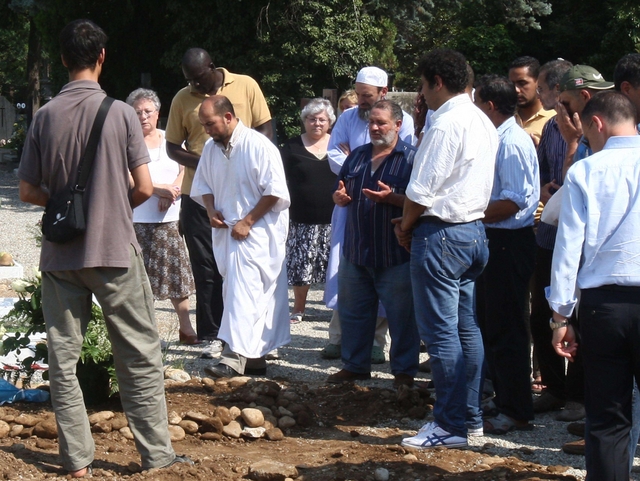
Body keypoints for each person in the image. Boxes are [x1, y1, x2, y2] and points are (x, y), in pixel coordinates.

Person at [17, 19, 191, 476]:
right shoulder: (119, 113)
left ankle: (76, 461)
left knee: (62, 357)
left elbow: (28, 191)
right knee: (138, 353)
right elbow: (144, 185)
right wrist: (109, 204)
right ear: (102, 57)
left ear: (60, 59)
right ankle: (156, 456)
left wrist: (66, 203)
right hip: (114, 248)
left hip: (61, 256)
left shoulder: (44, 115)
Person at [397, 49, 498, 449]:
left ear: (437, 81)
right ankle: (469, 420)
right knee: (465, 329)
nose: (422, 93)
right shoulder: (482, 120)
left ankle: (451, 424)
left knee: (441, 336)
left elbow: (420, 190)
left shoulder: (447, 124)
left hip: (442, 235)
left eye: (423, 84)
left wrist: (405, 227)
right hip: (472, 232)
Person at [547, 91, 640, 480]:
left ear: (596, 123)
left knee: (607, 417)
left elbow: (568, 248)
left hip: (605, 306)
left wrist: (561, 316)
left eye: (586, 134)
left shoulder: (586, 171)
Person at [165, 48, 272, 359]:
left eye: (198, 79)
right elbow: (173, 147)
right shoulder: (181, 99)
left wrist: (243, 160)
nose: (194, 86)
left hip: (244, 194)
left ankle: (251, 336)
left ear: (211, 68)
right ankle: (213, 334)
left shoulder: (246, 85)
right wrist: (208, 162)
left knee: (246, 265)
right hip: (199, 194)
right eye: (189, 81)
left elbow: (265, 128)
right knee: (206, 267)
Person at [191, 96, 290, 378]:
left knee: (243, 294)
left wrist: (248, 220)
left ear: (229, 117)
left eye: (210, 123)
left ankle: (232, 357)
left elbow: (275, 190)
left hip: (257, 232)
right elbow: (203, 184)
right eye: (203, 125)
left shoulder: (259, 146)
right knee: (240, 292)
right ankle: (255, 359)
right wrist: (210, 210)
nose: (207, 130)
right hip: (226, 232)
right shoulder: (211, 149)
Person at [321, 66, 415, 361]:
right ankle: (345, 345)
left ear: (384, 93)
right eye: (359, 95)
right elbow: (336, 154)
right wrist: (348, 177)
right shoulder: (348, 118)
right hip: (351, 211)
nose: (362, 101)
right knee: (349, 280)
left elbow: (403, 161)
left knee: (393, 293)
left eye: (368, 96)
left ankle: (381, 346)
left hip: (389, 223)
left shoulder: (407, 125)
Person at [473, 75, 540, 434]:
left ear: (490, 107)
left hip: (507, 243)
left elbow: (513, 200)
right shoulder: (497, 138)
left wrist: (466, 212)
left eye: (476, 102)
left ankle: (517, 409)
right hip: (493, 242)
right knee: (491, 324)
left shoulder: (511, 142)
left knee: (508, 328)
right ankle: (503, 398)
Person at [529, 60, 587, 422]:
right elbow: (541, 175)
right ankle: (552, 387)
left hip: (581, 244)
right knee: (542, 315)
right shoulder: (550, 127)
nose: (544, 96)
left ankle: (580, 395)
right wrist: (546, 190)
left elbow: (579, 182)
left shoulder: (592, 130)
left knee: (578, 317)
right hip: (549, 234)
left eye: (547, 90)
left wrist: (573, 143)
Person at [125, 88, 198, 345]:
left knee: (177, 276)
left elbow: (185, 168)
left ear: (158, 113)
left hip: (169, 219)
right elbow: (128, 177)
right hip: (137, 219)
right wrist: (157, 190)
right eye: (137, 112)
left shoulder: (171, 139)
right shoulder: (126, 142)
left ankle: (187, 328)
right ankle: (145, 332)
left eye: (148, 111)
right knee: (137, 280)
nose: (143, 116)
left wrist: (173, 191)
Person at [281, 99, 336, 323]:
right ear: (304, 121)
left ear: (330, 122)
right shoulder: (291, 147)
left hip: (334, 218)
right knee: (301, 266)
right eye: (311, 119)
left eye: (322, 119)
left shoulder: (339, 146)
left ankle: (336, 310)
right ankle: (299, 308)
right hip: (302, 218)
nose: (316, 123)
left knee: (335, 267)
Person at [508, 56, 555, 145]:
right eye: (512, 84)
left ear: (538, 82)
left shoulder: (554, 119)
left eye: (522, 83)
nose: (516, 89)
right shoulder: (506, 117)